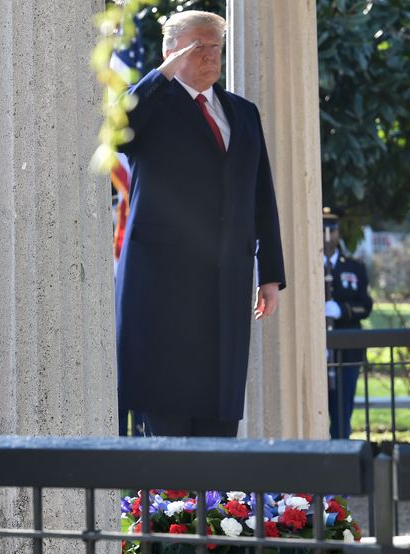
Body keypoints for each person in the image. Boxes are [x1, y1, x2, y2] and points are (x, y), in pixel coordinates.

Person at [115, 10, 286, 438]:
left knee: (219, 434)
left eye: (216, 47)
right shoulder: (152, 105)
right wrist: (162, 75)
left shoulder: (242, 114)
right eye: (198, 46)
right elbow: (118, 133)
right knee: (168, 431)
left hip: (225, 288)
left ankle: (216, 508)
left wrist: (271, 275)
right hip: (162, 295)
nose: (211, 56)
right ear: (170, 51)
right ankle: (169, 507)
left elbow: (261, 194)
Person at [323, 207, 373, 439]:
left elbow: (366, 306)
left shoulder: (354, 268)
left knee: (342, 416)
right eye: (323, 229)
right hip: (318, 352)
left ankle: (341, 464)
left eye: (331, 230)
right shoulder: (307, 268)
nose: (327, 235)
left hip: (347, 353)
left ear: (338, 234)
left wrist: (342, 310)